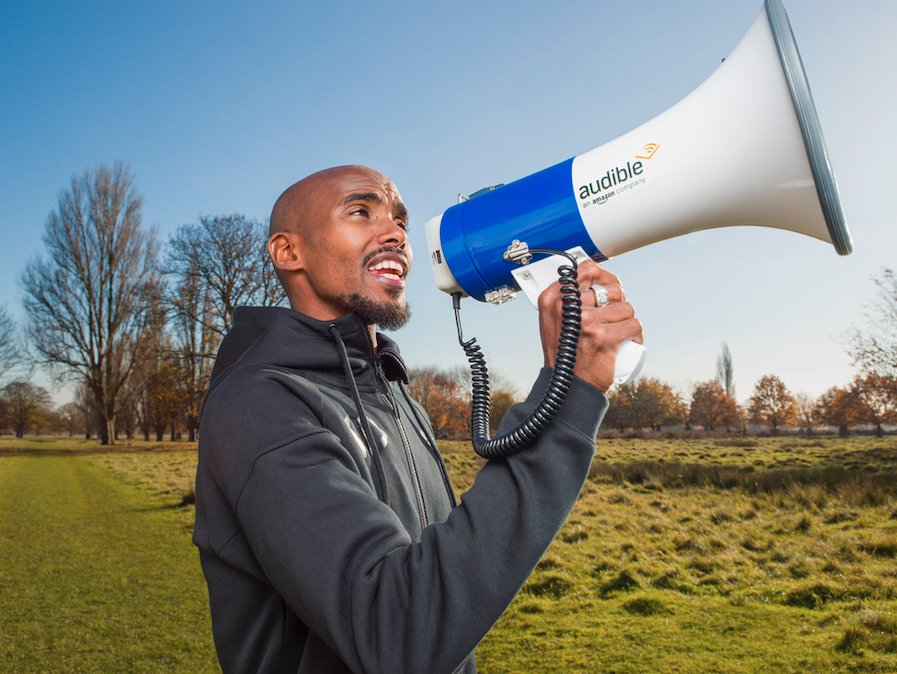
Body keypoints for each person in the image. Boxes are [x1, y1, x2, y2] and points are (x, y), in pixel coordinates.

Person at [193, 165, 643, 673]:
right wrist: (570, 389)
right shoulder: (258, 403)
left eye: (399, 219)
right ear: (288, 252)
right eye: (361, 212)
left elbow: (438, 576)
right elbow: (397, 632)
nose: (395, 234)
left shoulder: (391, 387)